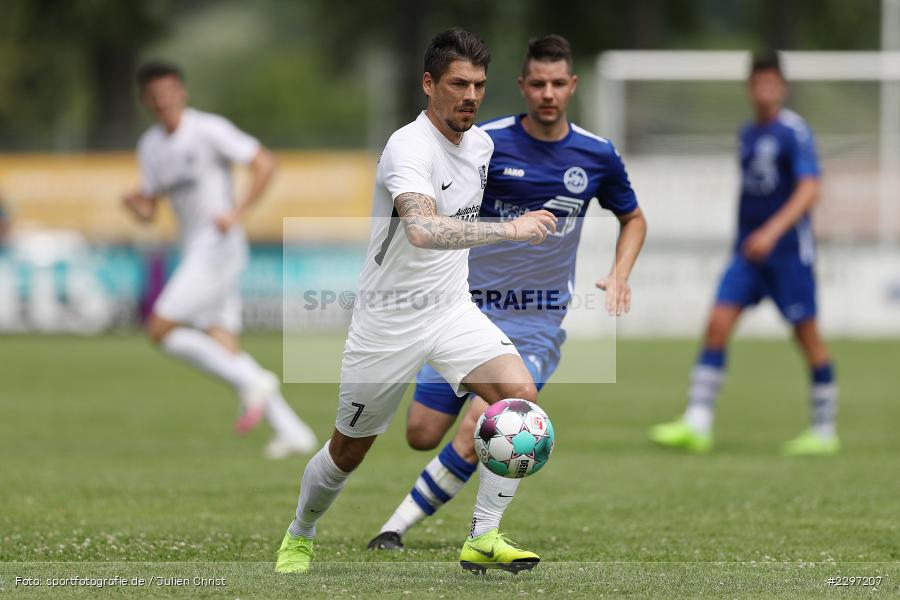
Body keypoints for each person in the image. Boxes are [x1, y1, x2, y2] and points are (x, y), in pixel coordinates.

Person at [274, 28, 560, 575]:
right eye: (458, 83)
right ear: (429, 84)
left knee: (519, 399)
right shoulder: (406, 147)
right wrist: (510, 231)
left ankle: (483, 536)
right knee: (347, 453)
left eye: (478, 84)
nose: (470, 95)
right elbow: (424, 229)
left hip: (452, 309)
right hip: (387, 322)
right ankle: (301, 530)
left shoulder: (481, 145)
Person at [366, 34, 646, 552]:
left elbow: (633, 218)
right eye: (537, 83)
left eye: (558, 83)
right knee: (421, 434)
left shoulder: (597, 154)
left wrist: (621, 272)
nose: (548, 93)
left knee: (492, 418)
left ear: (572, 86)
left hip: (536, 320)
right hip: (465, 307)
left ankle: (401, 529)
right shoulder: (485, 143)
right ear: (521, 86)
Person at [123, 61, 317, 459]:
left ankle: (252, 378)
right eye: (154, 96)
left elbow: (265, 163)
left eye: (169, 91)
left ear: (182, 92)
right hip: (193, 248)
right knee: (222, 343)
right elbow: (149, 210)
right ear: (146, 100)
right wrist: (135, 206)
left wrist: (237, 211)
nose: (163, 101)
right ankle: (293, 431)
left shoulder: (208, 129)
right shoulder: (150, 146)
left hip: (219, 245)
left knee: (160, 328)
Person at [650, 52, 838, 455]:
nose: (765, 89)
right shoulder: (748, 133)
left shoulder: (794, 131)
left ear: (782, 87)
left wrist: (770, 232)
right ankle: (697, 424)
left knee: (808, 338)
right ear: (750, 87)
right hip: (747, 254)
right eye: (758, 82)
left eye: (772, 82)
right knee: (717, 324)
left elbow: (810, 190)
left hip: (788, 255)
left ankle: (824, 430)